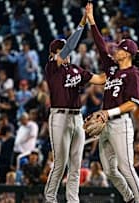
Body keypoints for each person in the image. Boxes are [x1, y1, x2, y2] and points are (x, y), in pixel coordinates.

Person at [43, 12, 106, 203]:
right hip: (59, 117)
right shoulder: (51, 67)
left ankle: (73, 201)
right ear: (53, 54)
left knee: (76, 164)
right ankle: (50, 199)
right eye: (61, 50)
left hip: (77, 116)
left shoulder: (76, 69)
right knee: (60, 164)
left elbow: (100, 79)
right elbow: (70, 45)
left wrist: (121, 67)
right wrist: (82, 23)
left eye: (65, 50)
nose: (66, 52)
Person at [86, 3, 139, 202]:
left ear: (127, 53)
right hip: (106, 124)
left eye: (120, 48)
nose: (116, 49)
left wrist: (108, 113)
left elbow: (133, 103)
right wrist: (92, 21)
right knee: (110, 170)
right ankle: (129, 198)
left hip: (120, 123)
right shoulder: (112, 70)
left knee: (126, 167)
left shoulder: (134, 75)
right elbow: (101, 46)